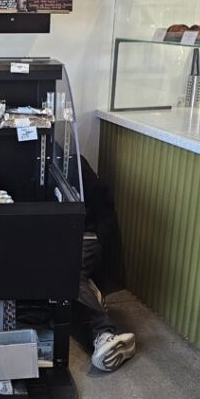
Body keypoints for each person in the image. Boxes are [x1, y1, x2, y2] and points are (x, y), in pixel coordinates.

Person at [78, 157, 136, 372]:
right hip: (60, 236)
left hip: (86, 235)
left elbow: (103, 207)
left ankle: (105, 334)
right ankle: (91, 293)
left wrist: (99, 236)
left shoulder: (72, 162)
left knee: (67, 274)